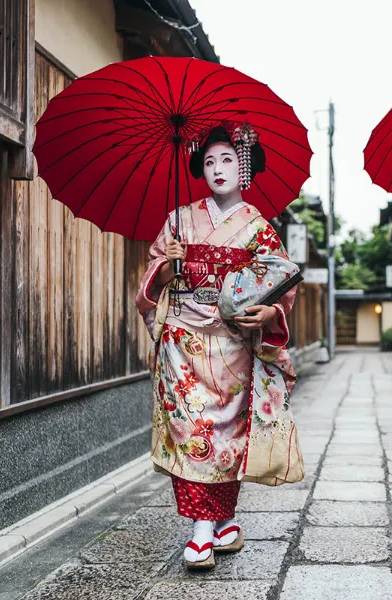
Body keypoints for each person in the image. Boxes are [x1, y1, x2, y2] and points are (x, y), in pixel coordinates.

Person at [136, 122, 296, 569]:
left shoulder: (259, 228)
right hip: (183, 340)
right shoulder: (178, 220)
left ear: (243, 166)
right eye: (209, 161)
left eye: (227, 159)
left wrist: (269, 315)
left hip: (233, 342)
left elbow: (281, 288)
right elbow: (151, 279)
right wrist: (165, 270)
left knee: (227, 435)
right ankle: (201, 530)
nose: (217, 168)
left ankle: (223, 518)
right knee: (193, 434)